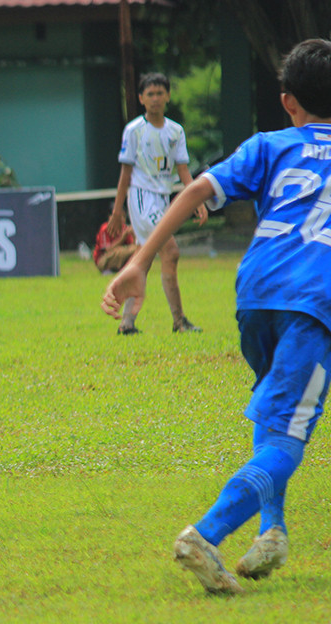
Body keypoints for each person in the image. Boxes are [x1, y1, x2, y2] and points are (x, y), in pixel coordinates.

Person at [102, 38, 331, 594]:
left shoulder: (271, 144)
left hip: (257, 288)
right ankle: (206, 534)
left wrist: (139, 262)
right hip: (315, 301)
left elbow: (198, 190)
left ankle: (272, 530)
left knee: (274, 405)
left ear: (287, 101)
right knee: (288, 438)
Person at [106, 72, 207, 335]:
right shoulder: (134, 131)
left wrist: (196, 197)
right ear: (141, 98)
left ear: (168, 96)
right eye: (149, 94)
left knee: (144, 257)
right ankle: (179, 321)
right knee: (170, 252)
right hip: (141, 198)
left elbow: (183, 170)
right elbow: (125, 174)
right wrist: (117, 212)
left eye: (159, 93)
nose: (155, 98)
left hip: (161, 200)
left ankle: (127, 322)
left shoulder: (176, 131)